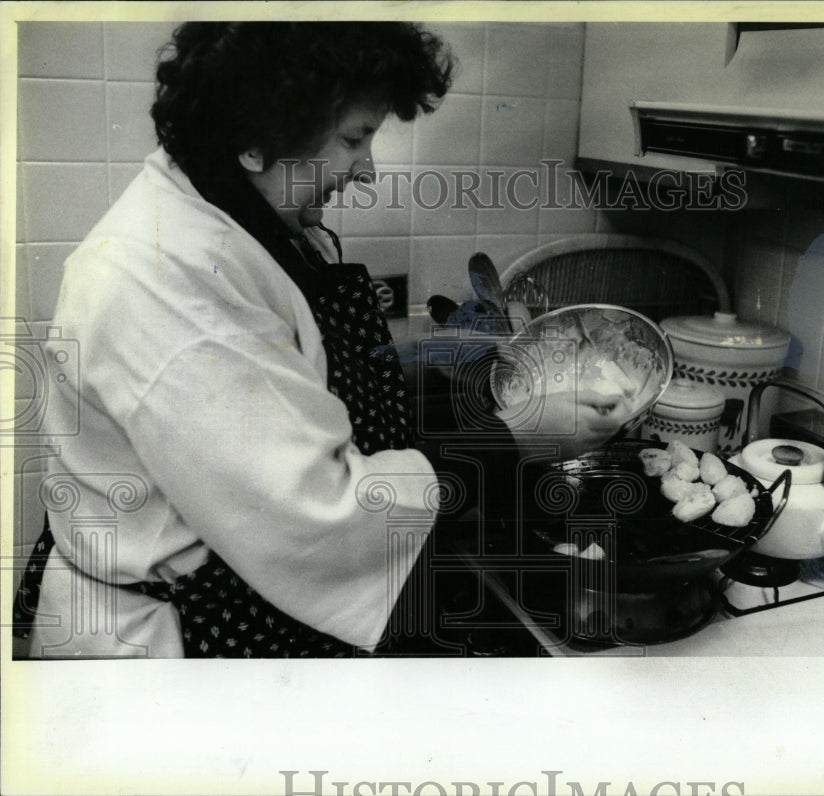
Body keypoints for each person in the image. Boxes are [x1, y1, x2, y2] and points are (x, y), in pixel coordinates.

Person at [15, 22, 629, 658]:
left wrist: (427, 363)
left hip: (235, 584)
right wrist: (519, 435)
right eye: (354, 138)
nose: (366, 170)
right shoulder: (167, 280)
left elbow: (286, 382)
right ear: (255, 140)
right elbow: (321, 511)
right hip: (174, 638)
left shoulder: (225, 210)